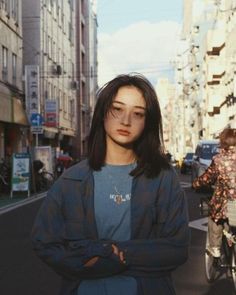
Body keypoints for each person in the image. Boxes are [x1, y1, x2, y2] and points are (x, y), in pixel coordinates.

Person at [31, 73, 190, 295]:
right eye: (117, 109)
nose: (126, 120)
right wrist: (97, 254)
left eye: (138, 114)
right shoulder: (71, 180)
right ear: (103, 112)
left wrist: (116, 253)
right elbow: (45, 243)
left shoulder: (163, 178)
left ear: (148, 122)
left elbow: (177, 248)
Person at [193, 127, 236, 257]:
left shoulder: (219, 159)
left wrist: (196, 184)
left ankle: (215, 248)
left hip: (225, 202)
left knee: (215, 217)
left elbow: (207, 178)